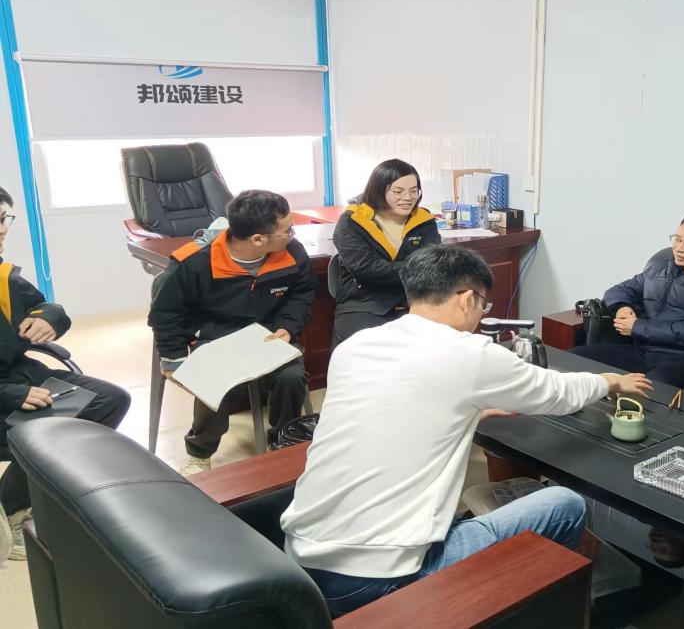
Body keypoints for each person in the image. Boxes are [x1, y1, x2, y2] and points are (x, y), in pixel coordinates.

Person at [281, 244, 652, 616]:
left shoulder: (357, 345)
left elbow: (394, 405)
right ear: (466, 298)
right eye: (484, 305)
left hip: (301, 562)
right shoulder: (471, 353)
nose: (480, 315)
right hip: (378, 578)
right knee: (565, 505)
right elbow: (558, 393)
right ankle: (546, 610)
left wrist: (468, 412)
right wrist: (610, 382)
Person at [0, 185, 130, 560]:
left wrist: (48, 319)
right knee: (49, 432)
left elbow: (48, 307)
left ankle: (26, 496)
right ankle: (13, 509)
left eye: (4, 219)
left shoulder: (5, 279)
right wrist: (12, 395)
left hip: (23, 376)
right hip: (7, 393)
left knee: (109, 400)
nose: (3, 229)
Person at [149, 190, 316, 476]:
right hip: (215, 335)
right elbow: (166, 314)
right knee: (213, 377)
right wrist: (173, 358)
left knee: (291, 377)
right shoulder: (195, 262)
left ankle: (283, 443)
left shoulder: (292, 252)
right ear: (258, 239)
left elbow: (302, 293)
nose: (292, 234)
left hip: (266, 335)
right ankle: (200, 452)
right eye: (287, 229)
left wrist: (287, 327)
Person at [570, 211, 684, 391]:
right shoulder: (661, 268)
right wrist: (622, 308)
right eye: (677, 239)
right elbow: (619, 290)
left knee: (648, 390)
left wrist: (637, 327)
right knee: (572, 361)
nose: (679, 248)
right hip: (644, 351)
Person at [332, 159, 440, 342]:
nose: (408, 197)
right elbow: (365, 269)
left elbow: (434, 264)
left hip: (415, 302)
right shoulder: (353, 220)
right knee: (382, 347)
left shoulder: (424, 220)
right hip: (365, 304)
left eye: (414, 191)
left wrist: (421, 269)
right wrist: (417, 269)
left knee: (438, 343)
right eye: (398, 192)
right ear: (379, 190)